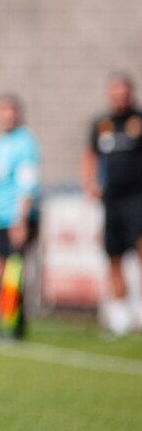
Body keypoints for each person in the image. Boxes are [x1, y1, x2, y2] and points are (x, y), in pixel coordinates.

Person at [81, 74, 142, 337]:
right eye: (115, 93)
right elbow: (89, 156)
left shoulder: (138, 121)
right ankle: (119, 317)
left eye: (123, 93)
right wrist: (90, 183)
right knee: (113, 257)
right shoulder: (101, 124)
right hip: (112, 201)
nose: (119, 98)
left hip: (138, 200)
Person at [0, 94, 41, 339]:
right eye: (2, 111)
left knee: (13, 273)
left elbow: (28, 183)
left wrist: (21, 219)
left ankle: (15, 326)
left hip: (18, 217)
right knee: (0, 272)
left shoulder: (25, 142)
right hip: (1, 218)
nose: (6, 116)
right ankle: (7, 321)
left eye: (10, 111)